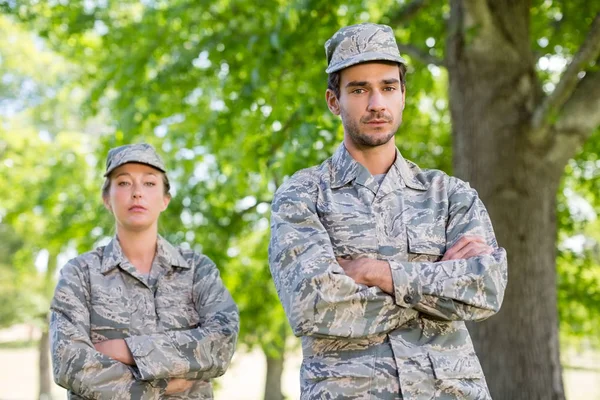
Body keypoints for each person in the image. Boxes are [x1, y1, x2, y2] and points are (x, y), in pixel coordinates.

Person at [268, 23, 508, 399]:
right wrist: (438, 285)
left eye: (388, 87)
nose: (376, 103)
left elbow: (487, 289)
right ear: (334, 101)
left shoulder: (449, 194)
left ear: (403, 95)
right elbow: (314, 306)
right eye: (359, 89)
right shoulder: (302, 195)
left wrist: (376, 273)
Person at [50, 143, 239, 399]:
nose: (137, 192)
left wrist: (128, 349)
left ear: (164, 200)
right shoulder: (80, 274)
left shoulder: (198, 270)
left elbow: (222, 343)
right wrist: (160, 388)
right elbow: (68, 364)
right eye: (124, 183)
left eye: (149, 183)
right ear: (107, 198)